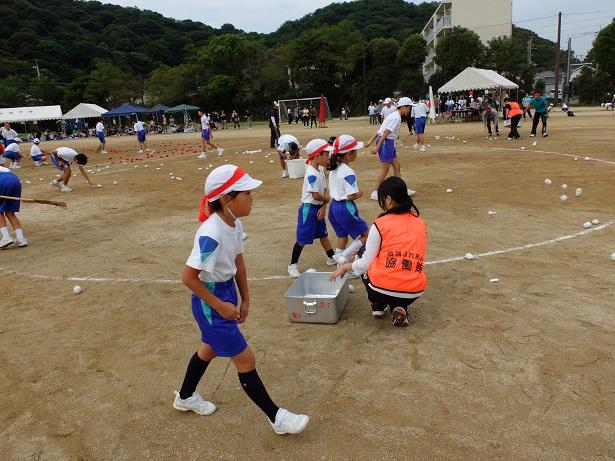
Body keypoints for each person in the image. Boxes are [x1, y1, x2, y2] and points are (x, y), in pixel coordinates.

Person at [173, 164, 309, 435]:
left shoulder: (234, 223)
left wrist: (245, 299)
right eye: (246, 193)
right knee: (246, 360)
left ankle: (185, 396)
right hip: (211, 301)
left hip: (225, 293)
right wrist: (220, 305)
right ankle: (277, 418)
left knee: (208, 349)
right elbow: (188, 277)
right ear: (226, 199)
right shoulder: (211, 233)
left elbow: (239, 262)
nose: (252, 198)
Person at [331, 176, 426, 326]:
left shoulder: (380, 224)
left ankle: (378, 304)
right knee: (399, 264)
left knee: (362, 254)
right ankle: (400, 306)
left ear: (388, 199)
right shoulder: (420, 223)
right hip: (414, 291)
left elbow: (364, 264)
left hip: (381, 288)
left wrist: (345, 267)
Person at [287, 139, 336, 278]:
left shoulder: (320, 170)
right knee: (302, 238)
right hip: (308, 210)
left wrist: (324, 206)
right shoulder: (311, 173)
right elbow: (315, 195)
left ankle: (331, 257)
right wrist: (326, 200)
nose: (328, 157)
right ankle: (292, 265)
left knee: (323, 235)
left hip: (318, 208)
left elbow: (325, 190)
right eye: (326, 154)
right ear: (317, 155)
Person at [327, 135, 369, 269]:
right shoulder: (348, 171)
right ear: (349, 154)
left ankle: (340, 270)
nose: (357, 153)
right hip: (345, 208)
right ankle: (342, 257)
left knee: (342, 237)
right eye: (355, 150)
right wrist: (360, 193)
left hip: (333, 207)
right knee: (365, 235)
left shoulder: (334, 168)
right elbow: (351, 195)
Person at [365, 97, 414, 201]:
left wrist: (370, 141)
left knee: (397, 166)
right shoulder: (396, 117)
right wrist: (377, 147)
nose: (410, 110)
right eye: (409, 108)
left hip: (388, 143)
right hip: (386, 143)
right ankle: (376, 192)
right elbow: (385, 133)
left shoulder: (394, 115)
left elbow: (380, 130)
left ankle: (401, 190)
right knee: (385, 169)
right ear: (404, 107)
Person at [0, 165, 28, 248]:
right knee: (10, 213)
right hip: (15, 180)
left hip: (1, 180)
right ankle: (21, 239)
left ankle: (6, 237)